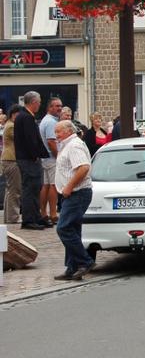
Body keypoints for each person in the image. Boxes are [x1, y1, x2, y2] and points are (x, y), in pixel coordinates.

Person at [53, 120, 95, 281]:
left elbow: (83, 167)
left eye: (59, 132)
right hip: (72, 193)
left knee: (63, 228)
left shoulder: (74, 145)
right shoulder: (67, 145)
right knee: (73, 229)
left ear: (69, 131)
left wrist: (69, 186)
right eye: (55, 132)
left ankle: (85, 261)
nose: (56, 135)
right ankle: (72, 267)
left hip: (77, 192)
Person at [14, 91, 50, 230]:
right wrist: (35, 155)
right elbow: (31, 140)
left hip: (27, 158)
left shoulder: (23, 116)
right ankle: (29, 219)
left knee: (35, 188)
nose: (39, 105)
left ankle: (35, 217)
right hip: (29, 159)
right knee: (30, 188)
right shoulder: (26, 117)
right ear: (33, 102)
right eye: (39, 102)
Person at [39, 97, 62, 226]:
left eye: (60, 106)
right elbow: (51, 141)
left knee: (46, 185)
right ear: (49, 108)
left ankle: (44, 213)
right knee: (53, 185)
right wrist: (59, 157)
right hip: (51, 158)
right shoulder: (51, 122)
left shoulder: (45, 120)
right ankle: (53, 214)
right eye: (56, 106)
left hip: (45, 158)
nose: (59, 108)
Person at [2, 105, 23, 223]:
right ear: (13, 114)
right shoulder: (11, 126)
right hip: (11, 160)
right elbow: (21, 139)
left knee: (10, 189)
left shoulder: (9, 125)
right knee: (15, 189)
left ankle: (9, 216)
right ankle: (13, 217)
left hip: (8, 160)